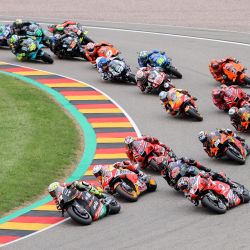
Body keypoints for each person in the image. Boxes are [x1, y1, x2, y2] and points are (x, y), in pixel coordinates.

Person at [177, 173, 250, 208]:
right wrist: (193, 199)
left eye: (184, 186)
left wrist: (205, 175)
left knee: (217, 175)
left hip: (210, 184)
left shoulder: (193, 179)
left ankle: (233, 184)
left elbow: (200, 175)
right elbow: (195, 203)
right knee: (203, 205)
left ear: (187, 182)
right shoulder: (186, 193)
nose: (184, 188)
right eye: (182, 188)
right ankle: (218, 202)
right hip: (202, 195)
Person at [161, 157, 236, 189]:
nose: (163, 166)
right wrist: (174, 182)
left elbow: (181, 159)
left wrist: (185, 159)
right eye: (161, 166)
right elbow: (170, 183)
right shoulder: (164, 173)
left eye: (164, 164)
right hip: (179, 179)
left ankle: (205, 170)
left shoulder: (173, 161)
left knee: (192, 166)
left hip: (184, 171)